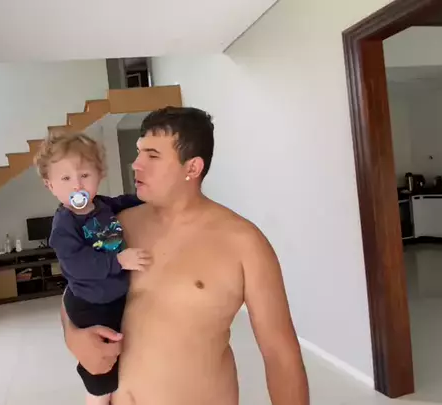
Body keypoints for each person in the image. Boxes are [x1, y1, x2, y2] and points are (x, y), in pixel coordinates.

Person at [60, 107, 310, 405]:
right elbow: (76, 290)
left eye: (152, 155)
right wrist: (73, 337)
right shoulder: (117, 225)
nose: (136, 164)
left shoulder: (243, 243)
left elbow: (280, 354)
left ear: (192, 168)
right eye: (139, 152)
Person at [34, 132, 149, 405]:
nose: (77, 185)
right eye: (66, 178)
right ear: (51, 185)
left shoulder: (103, 205)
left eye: (84, 175)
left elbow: (125, 201)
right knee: (101, 369)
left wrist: (147, 199)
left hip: (114, 297)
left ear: (99, 175)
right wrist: (118, 261)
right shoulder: (64, 225)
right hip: (90, 304)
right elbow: (78, 265)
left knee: (122, 359)